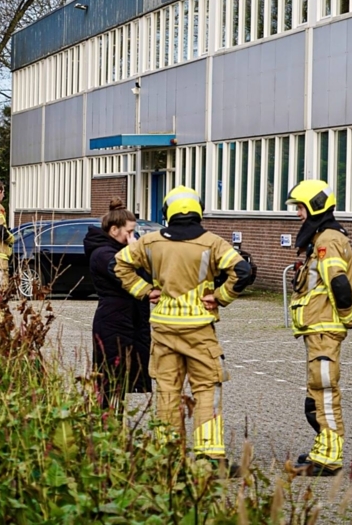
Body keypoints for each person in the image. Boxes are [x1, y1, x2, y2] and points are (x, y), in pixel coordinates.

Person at [114, 186, 254, 467]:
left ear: (168, 212)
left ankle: (167, 456)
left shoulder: (150, 242)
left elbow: (117, 265)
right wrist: (220, 297)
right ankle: (209, 457)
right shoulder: (212, 242)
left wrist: (144, 291)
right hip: (199, 328)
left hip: (164, 327)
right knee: (205, 388)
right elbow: (243, 272)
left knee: (167, 389)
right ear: (198, 210)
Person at [286, 179, 352, 476]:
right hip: (317, 329)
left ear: (314, 206)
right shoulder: (323, 237)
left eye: (300, 207)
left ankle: (330, 457)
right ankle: (321, 449)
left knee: (325, 392)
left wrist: (346, 316)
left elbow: (338, 283)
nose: (297, 214)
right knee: (316, 394)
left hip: (324, 329)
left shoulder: (327, 240)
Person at [83, 198, 152, 409]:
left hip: (128, 321)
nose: (134, 237)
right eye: (130, 232)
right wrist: (136, 252)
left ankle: (113, 427)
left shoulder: (119, 250)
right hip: (113, 323)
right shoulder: (103, 254)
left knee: (123, 379)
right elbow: (128, 275)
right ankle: (106, 426)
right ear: (114, 230)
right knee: (110, 380)